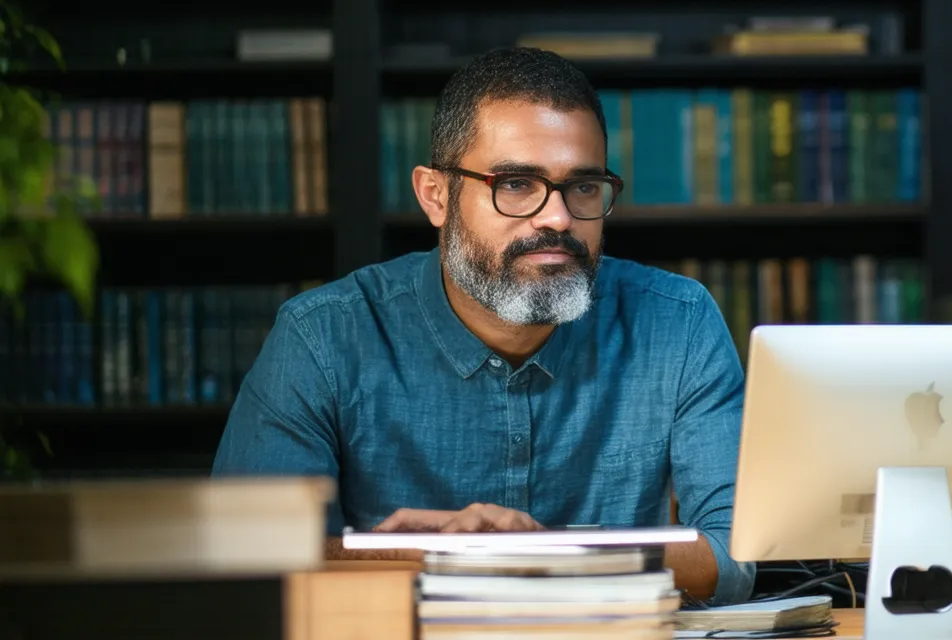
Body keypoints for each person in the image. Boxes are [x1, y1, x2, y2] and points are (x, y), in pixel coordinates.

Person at [211, 46, 754, 605]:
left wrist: (541, 557)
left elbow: (736, 552)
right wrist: (426, 558)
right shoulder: (321, 338)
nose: (559, 217)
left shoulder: (678, 321)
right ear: (436, 196)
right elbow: (245, 556)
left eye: (584, 187)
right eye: (516, 183)